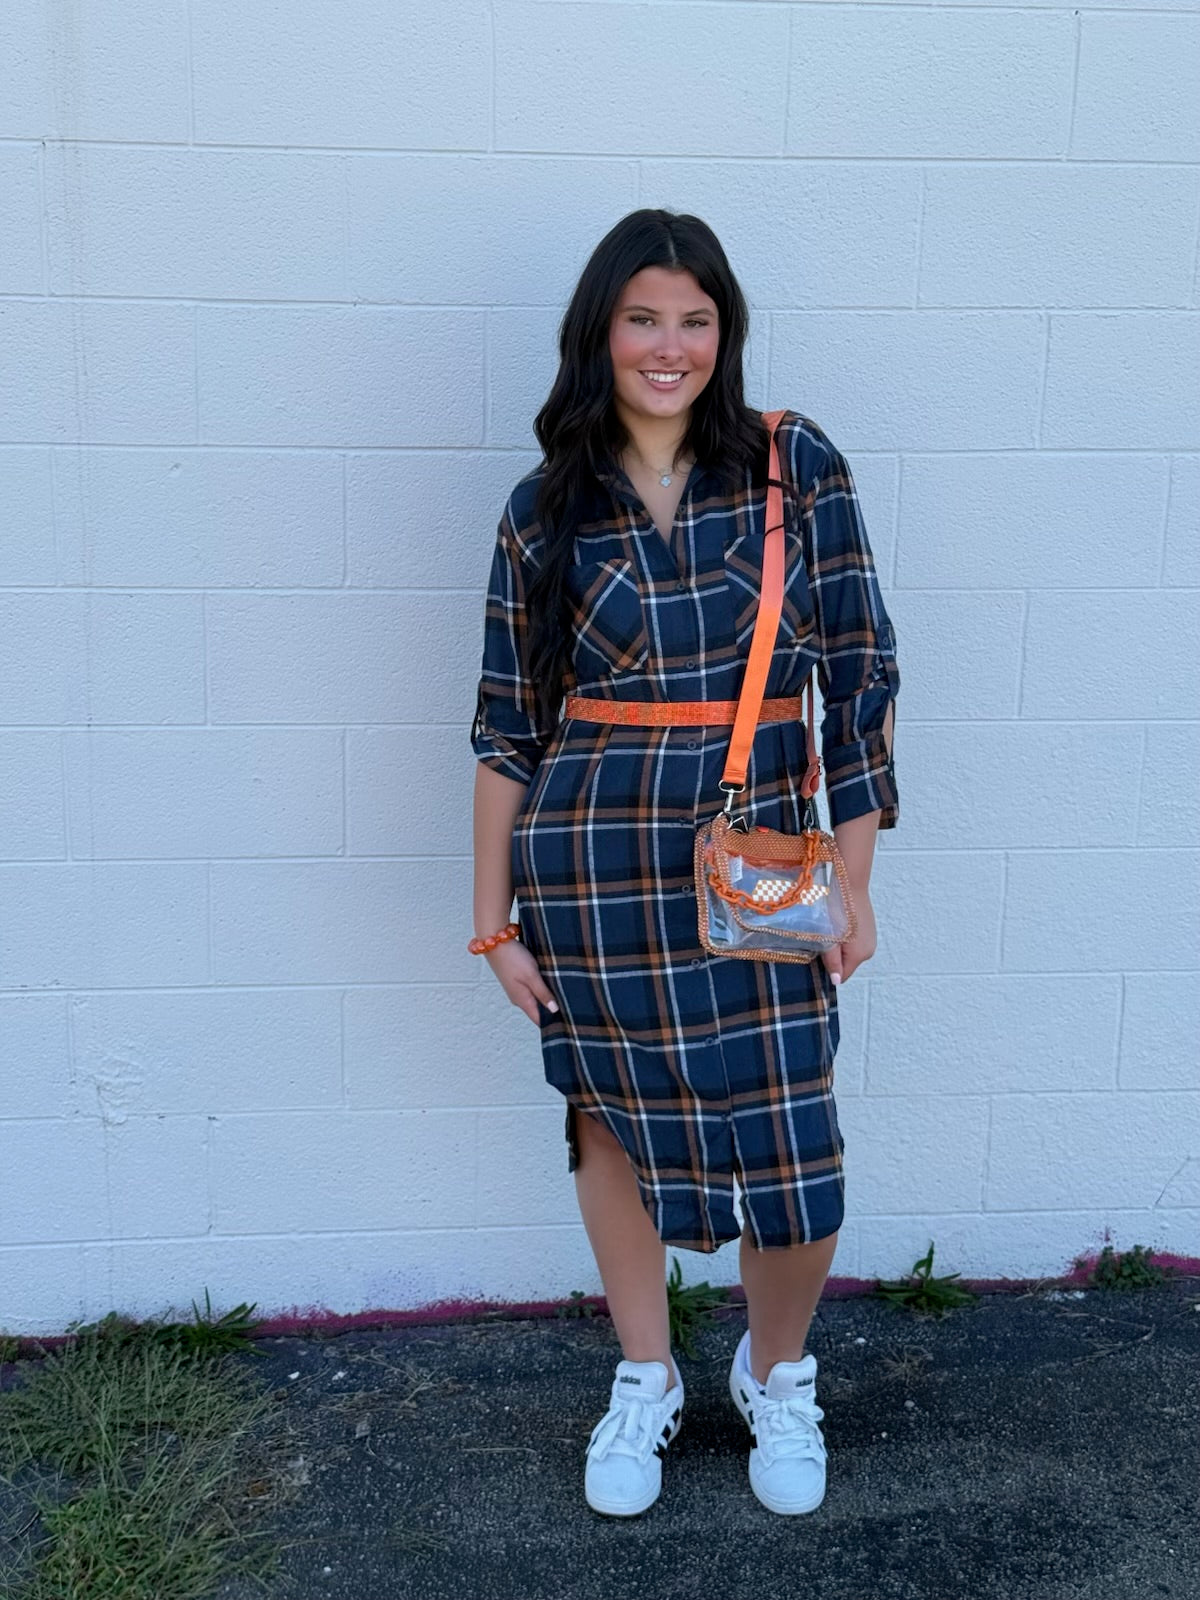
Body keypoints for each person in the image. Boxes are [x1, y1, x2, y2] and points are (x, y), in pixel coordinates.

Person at [468, 209, 899, 1519]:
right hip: (588, 861)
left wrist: (858, 877)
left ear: (727, 332)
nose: (671, 346)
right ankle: (647, 1375)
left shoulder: (791, 466)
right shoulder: (548, 505)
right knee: (612, 1121)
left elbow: (862, 678)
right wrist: (493, 923)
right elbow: (504, 726)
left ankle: (776, 1373)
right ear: (600, 332)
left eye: (695, 320)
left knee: (792, 1141)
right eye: (644, 318)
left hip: (757, 848)